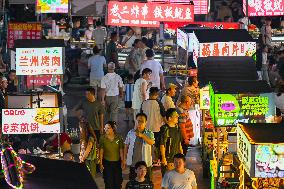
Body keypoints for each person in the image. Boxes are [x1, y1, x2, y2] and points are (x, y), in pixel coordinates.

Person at [124, 113, 155, 181]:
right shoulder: (131, 132)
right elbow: (126, 145)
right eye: (138, 121)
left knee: (147, 181)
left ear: (146, 122)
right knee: (133, 181)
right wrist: (124, 158)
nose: (140, 123)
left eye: (142, 121)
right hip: (134, 163)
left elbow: (152, 142)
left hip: (146, 163)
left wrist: (142, 136)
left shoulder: (149, 133)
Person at [141, 87, 165, 164]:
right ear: (157, 94)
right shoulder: (159, 103)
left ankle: (148, 160)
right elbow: (164, 115)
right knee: (156, 145)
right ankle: (155, 160)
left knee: (147, 145)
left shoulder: (144, 103)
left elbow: (140, 116)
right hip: (156, 128)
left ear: (149, 93)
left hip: (146, 129)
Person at [99, 121, 125, 189]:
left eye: (108, 128)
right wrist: (101, 163)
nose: (106, 129)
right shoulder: (102, 138)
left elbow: (121, 150)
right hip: (107, 163)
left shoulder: (119, 138)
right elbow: (101, 151)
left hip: (117, 163)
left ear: (113, 129)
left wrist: (123, 161)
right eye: (105, 128)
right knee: (108, 182)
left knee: (117, 182)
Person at [160, 108, 183, 176]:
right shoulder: (165, 129)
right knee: (168, 179)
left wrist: (182, 155)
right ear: (169, 118)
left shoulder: (177, 128)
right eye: (175, 116)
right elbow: (162, 145)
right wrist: (164, 158)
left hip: (177, 158)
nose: (177, 117)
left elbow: (179, 143)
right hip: (168, 159)